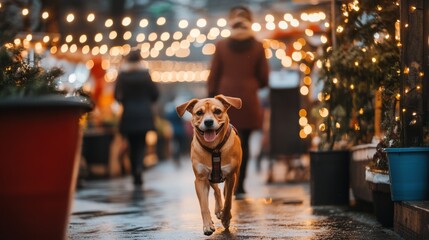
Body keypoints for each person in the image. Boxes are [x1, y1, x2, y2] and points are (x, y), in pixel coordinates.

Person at [207, 5, 270, 196]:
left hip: (224, 102)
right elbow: (265, 78)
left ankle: (227, 180)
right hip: (248, 100)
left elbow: (214, 75)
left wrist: (212, 98)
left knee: (224, 141)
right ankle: (240, 183)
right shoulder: (258, 46)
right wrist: (251, 85)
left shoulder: (221, 45)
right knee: (245, 144)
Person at [114, 50, 159, 186]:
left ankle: (135, 169)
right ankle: (139, 167)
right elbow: (155, 94)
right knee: (141, 143)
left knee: (131, 144)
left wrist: (125, 102)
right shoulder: (146, 75)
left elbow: (116, 95)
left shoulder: (122, 75)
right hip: (144, 114)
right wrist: (146, 101)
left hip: (129, 114)